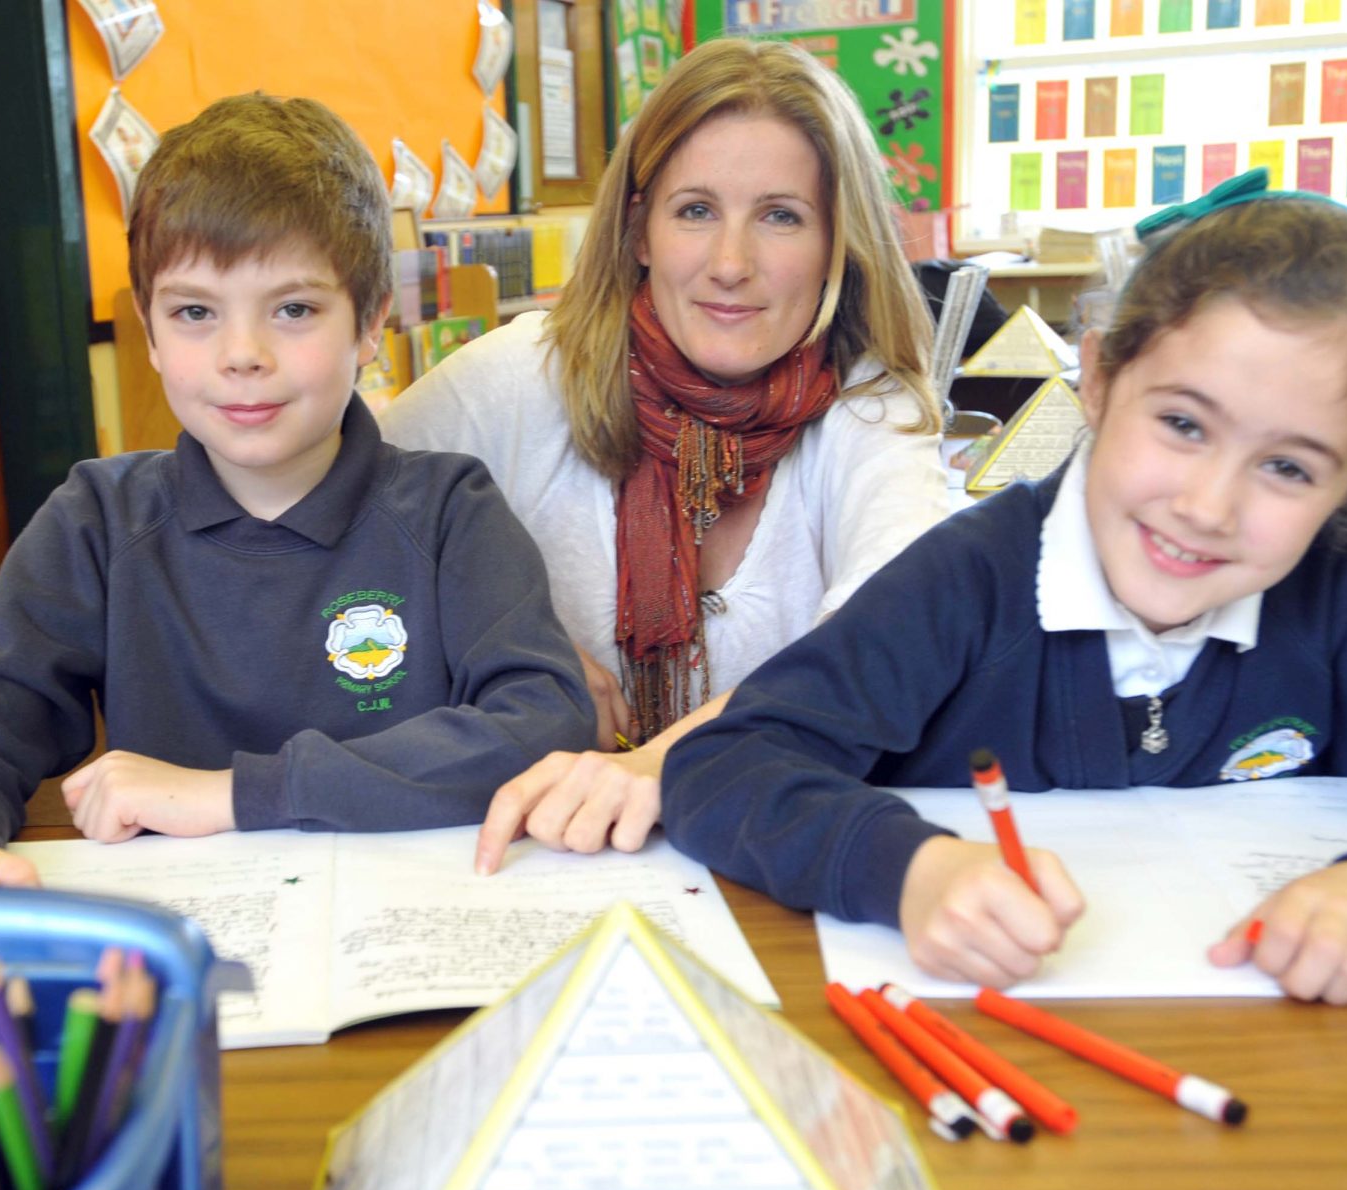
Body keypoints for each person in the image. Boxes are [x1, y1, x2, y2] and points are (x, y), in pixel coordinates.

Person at [660, 172, 1347, 1006]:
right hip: (984, 1042)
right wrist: (912, 868)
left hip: (1279, 1065)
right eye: (1182, 424)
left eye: (1290, 468)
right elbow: (726, 764)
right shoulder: (964, 582)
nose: (1208, 505)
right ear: (1096, 379)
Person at [0, 93, 592, 889]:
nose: (242, 354)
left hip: (412, 916)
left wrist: (238, 794)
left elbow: (542, 721)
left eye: (293, 309)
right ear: (150, 333)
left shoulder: (449, 513)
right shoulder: (98, 522)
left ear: (370, 323)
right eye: (195, 311)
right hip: (180, 940)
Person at [382, 38, 956, 873]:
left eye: (780, 216)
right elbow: (337, 520)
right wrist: (507, 639)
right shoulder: (520, 376)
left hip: (757, 862)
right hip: (527, 860)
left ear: (840, 241)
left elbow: (893, 637)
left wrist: (660, 762)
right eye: (695, 211)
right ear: (640, 229)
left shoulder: (871, 406)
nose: (731, 264)